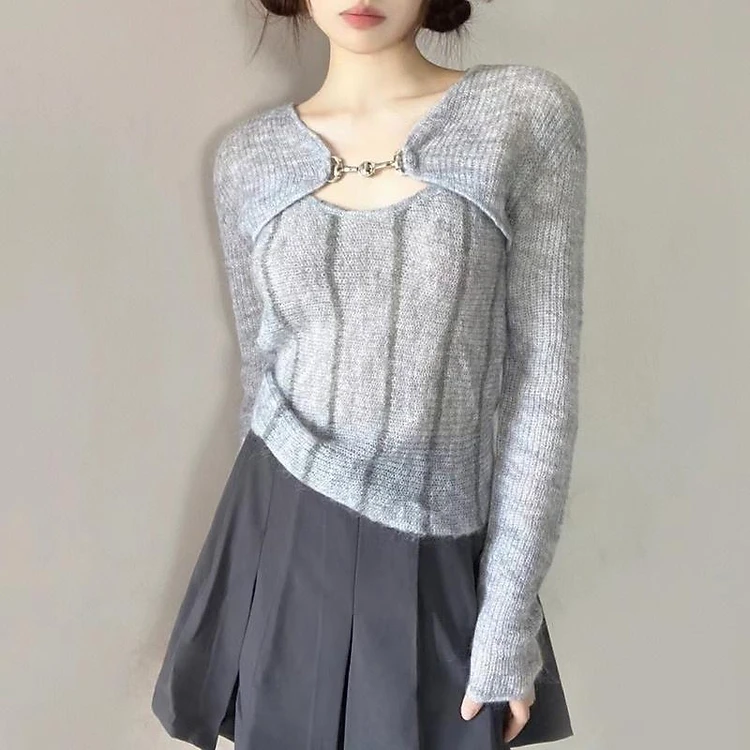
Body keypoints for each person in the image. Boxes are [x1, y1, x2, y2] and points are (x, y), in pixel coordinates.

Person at [151, 1, 588, 748]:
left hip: (435, 546)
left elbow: (543, 386)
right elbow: (261, 370)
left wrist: (508, 619)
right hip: (277, 534)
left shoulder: (523, 116)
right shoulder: (249, 158)